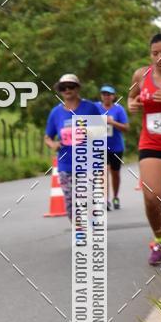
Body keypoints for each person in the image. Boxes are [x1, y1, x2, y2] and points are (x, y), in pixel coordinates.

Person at [128, 33, 161, 265]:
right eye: (155, 53)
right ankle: (160, 240)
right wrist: (132, 104)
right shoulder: (141, 75)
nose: (159, 57)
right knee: (152, 196)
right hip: (150, 143)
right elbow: (131, 97)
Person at [44, 74, 102, 221]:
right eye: (64, 87)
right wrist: (54, 144)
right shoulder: (56, 113)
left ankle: (91, 229)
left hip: (88, 163)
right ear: (60, 90)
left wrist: (87, 132)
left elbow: (102, 131)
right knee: (71, 203)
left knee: (87, 200)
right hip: (65, 164)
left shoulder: (90, 107)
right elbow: (47, 137)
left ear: (78, 88)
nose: (67, 90)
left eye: (71, 86)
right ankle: (80, 233)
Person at [96, 85, 129, 210]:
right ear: (101, 96)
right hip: (99, 146)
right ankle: (105, 200)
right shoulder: (96, 107)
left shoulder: (119, 110)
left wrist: (112, 122)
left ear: (113, 96)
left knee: (115, 173)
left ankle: (115, 197)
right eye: (104, 94)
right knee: (103, 172)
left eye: (109, 94)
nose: (106, 96)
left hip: (116, 147)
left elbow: (126, 128)